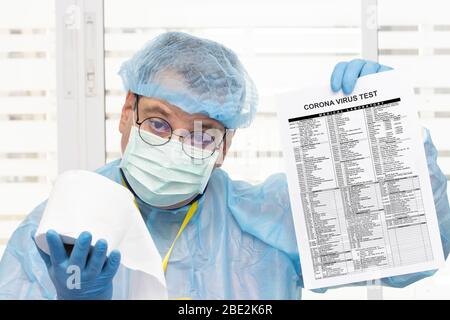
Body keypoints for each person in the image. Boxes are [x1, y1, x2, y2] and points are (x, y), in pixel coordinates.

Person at [0, 32, 448, 300]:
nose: (176, 145)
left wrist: (394, 130)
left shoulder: (269, 220)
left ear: (224, 147)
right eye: (158, 122)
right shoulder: (60, 228)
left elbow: (413, 257)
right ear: (125, 113)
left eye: (202, 132)